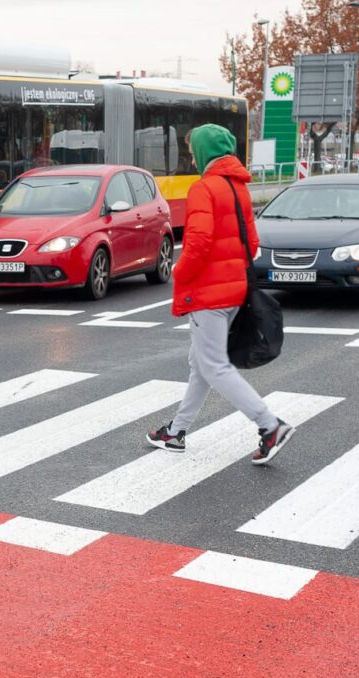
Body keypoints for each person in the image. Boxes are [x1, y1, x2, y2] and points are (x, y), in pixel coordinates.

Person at [146, 124, 294, 464]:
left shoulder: (204, 188)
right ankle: (176, 433)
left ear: (203, 151)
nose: (191, 156)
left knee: (213, 366)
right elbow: (251, 242)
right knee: (201, 364)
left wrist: (178, 273)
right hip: (233, 289)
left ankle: (269, 425)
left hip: (208, 293)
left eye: (192, 149)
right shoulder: (237, 187)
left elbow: (197, 243)